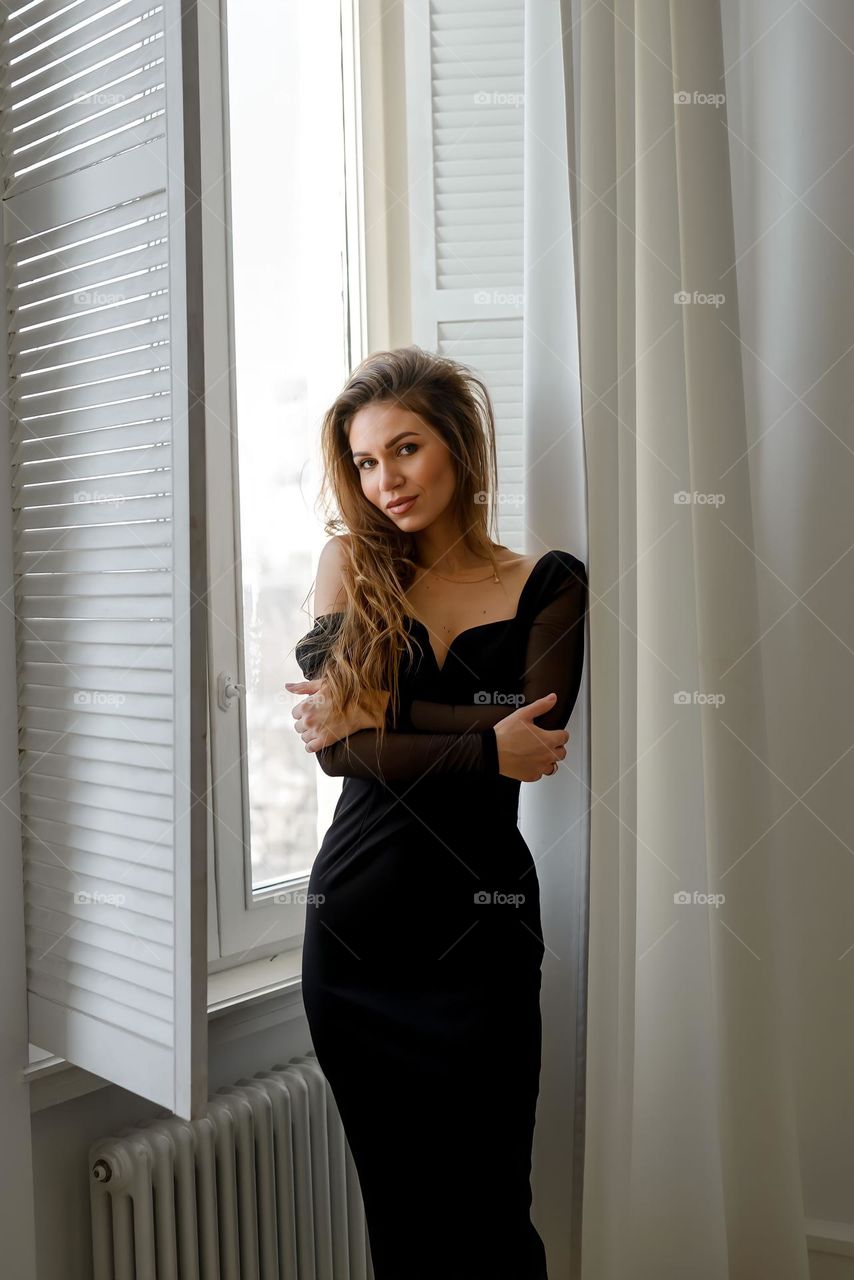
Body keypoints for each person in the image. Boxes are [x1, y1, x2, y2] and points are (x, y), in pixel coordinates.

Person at [285, 345, 588, 1280]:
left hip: (483, 936)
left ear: (459, 445)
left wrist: (392, 713)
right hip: (357, 935)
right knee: (404, 1215)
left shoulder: (550, 582)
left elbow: (534, 737)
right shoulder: (351, 565)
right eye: (367, 463)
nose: (386, 482)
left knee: (496, 1206)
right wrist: (477, 740)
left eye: (406, 450)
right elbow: (338, 749)